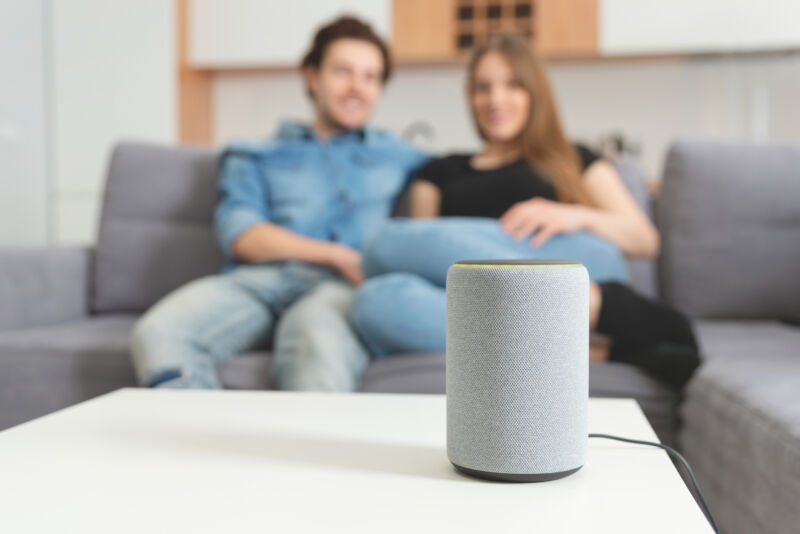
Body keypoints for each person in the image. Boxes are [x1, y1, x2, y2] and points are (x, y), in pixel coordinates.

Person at [351, 35, 700, 388]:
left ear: (535, 93)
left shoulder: (573, 157)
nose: (495, 99)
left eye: (513, 85)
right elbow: (417, 253)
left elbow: (644, 239)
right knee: (376, 299)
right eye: (482, 87)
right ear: (470, 97)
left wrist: (572, 214)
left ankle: (562, 304)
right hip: (477, 300)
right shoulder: (440, 171)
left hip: (569, 269)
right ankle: (559, 335)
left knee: (381, 246)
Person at [130, 16, 427, 391]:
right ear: (311, 76)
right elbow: (242, 235)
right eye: (343, 72)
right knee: (160, 332)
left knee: (314, 342)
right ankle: (206, 447)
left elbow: (478, 174)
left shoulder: (397, 155)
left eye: (371, 77)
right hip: (257, 283)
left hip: (335, 291)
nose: (358, 88)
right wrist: (336, 254)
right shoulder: (254, 153)